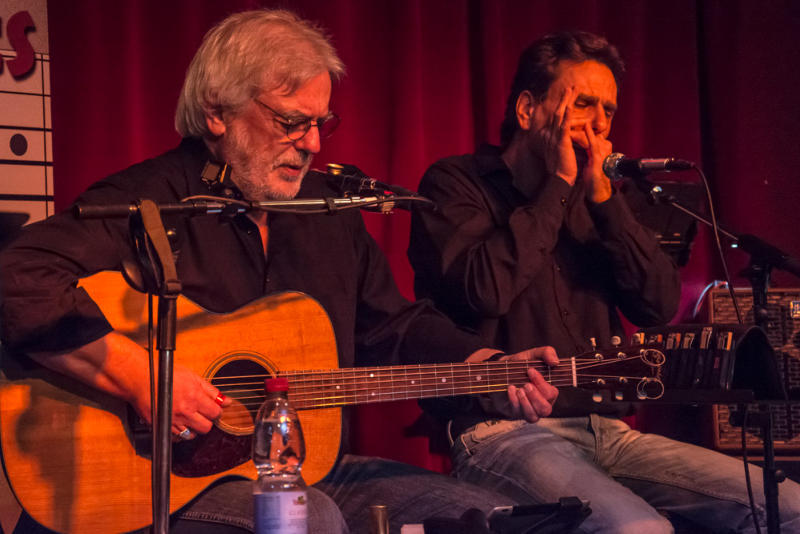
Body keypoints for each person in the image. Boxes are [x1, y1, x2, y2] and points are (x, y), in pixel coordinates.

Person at [0, 10, 560, 534]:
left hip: (307, 467)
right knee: (304, 517)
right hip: (157, 482)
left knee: (490, 517)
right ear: (217, 112)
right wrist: (144, 377)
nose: (312, 144)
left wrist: (485, 365)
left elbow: (391, 327)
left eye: (321, 123)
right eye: (292, 122)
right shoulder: (148, 200)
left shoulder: (327, 211)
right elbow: (16, 276)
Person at [408, 30, 800, 533]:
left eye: (608, 111)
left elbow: (658, 306)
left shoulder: (601, 199)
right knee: (641, 529)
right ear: (527, 110)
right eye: (582, 103)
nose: (597, 124)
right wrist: (558, 184)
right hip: (501, 432)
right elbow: (485, 290)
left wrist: (605, 202)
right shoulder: (455, 183)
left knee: (791, 508)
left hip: (610, 433)